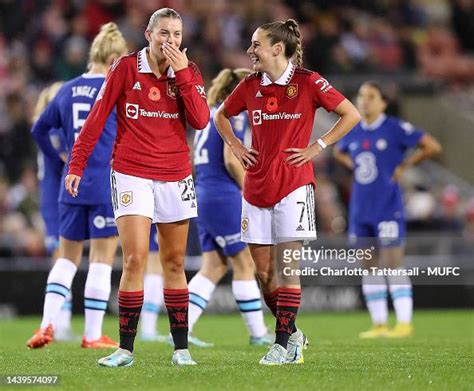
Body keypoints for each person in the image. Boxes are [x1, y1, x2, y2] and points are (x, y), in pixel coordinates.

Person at [65, 8, 210, 367]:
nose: (171, 41)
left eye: (176, 34)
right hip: (132, 173)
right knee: (134, 260)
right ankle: (125, 350)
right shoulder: (126, 68)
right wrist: (77, 164)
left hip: (176, 174)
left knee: (174, 262)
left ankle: (181, 349)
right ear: (148, 34)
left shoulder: (188, 72)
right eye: (164, 33)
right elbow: (97, 118)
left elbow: (201, 119)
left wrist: (182, 76)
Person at [214, 19, 361, 365]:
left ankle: (282, 345)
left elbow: (350, 114)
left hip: (294, 185)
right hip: (255, 186)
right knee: (264, 274)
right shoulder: (250, 85)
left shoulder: (308, 82)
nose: (250, 51)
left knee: (287, 269)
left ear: (277, 49)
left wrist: (317, 146)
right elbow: (221, 116)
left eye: (256, 45)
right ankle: (293, 333)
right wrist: (235, 145)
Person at [28, 22, 128, 350]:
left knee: (66, 258)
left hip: (70, 185)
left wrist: (59, 161)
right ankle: (93, 334)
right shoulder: (116, 91)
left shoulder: (66, 89)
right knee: (101, 257)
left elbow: (39, 130)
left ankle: (46, 325)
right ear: (112, 57)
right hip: (102, 183)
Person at [334, 81, 442, 338]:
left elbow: (432, 146)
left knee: (393, 264)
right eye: (361, 96)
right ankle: (379, 324)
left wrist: (405, 165)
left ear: (383, 102)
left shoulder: (394, 128)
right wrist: (353, 165)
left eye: (371, 96)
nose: (364, 101)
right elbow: (338, 152)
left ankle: (404, 323)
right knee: (369, 266)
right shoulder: (353, 128)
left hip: (387, 207)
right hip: (360, 208)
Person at [189, 68, 273, 347]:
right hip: (223, 195)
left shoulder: (208, 116)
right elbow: (231, 158)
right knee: (245, 263)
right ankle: (258, 334)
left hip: (203, 192)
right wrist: (249, 187)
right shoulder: (232, 115)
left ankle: (181, 328)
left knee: (213, 265)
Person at [33, 82, 75, 341]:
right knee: (63, 257)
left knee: (62, 257)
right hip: (54, 198)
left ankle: (59, 321)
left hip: (50, 196)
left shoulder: (45, 124)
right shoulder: (53, 127)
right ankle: (60, 322)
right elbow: (63, 160)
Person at [139, 225, 167, 342]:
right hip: (155, 214)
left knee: (152, 267)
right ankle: (148, 329)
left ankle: (148, 329)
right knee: (155, 266)